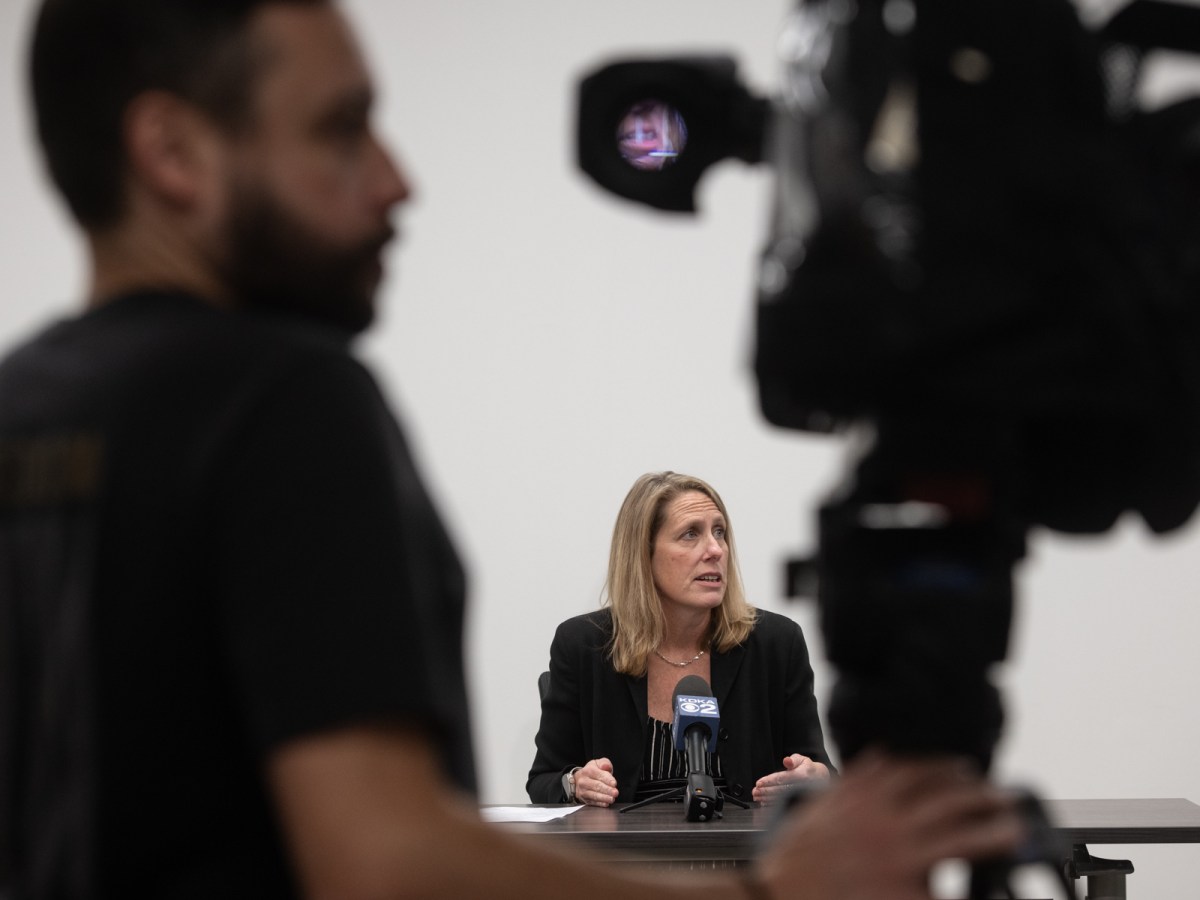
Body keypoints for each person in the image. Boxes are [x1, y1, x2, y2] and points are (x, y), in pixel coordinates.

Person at [0, 1, 1024, 898]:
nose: (396, 182)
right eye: (342, 130)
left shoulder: (23, 407)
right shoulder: (283, 400)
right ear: (172, 154)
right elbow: (388, 864)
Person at [528, 471, 832, 807]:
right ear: (643, 554)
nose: (715, 549)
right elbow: (543, 781)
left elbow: (821, 771)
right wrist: (576, 783)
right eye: (690, 535)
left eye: (720, 532)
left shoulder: (776, 643)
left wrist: (814, 779)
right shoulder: (584, 645)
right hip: (624, 858)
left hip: (743, 855)